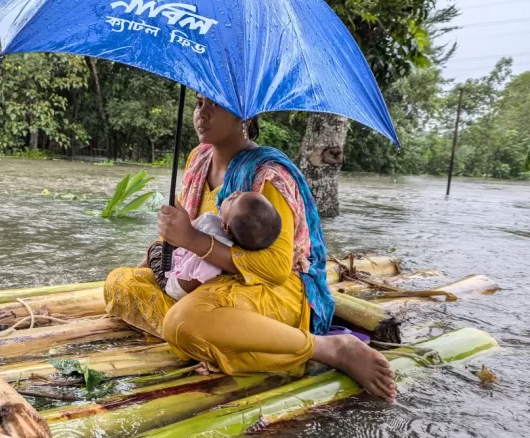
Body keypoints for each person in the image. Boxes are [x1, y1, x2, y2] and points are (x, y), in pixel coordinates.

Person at [105, 94, 396, 401]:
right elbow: (182, 241)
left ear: (245, 116)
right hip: (205, 282)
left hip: (268, 290)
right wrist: (163, 248)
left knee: (183, 323)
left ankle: (326, 348)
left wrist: (193, 240)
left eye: (215, 105)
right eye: (199, 103)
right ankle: (220, 341)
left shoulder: (268, 176)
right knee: (120, 283)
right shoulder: (197, 160)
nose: (201, 114)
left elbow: (276, 268)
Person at [149, 191, 282, 301]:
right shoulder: (233, 247)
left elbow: (186, 285)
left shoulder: (213, 238)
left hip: (174, 286)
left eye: (233, 200)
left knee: (154, 248)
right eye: (242, 192)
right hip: (180, 274)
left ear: (225, 227)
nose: (236, 192)